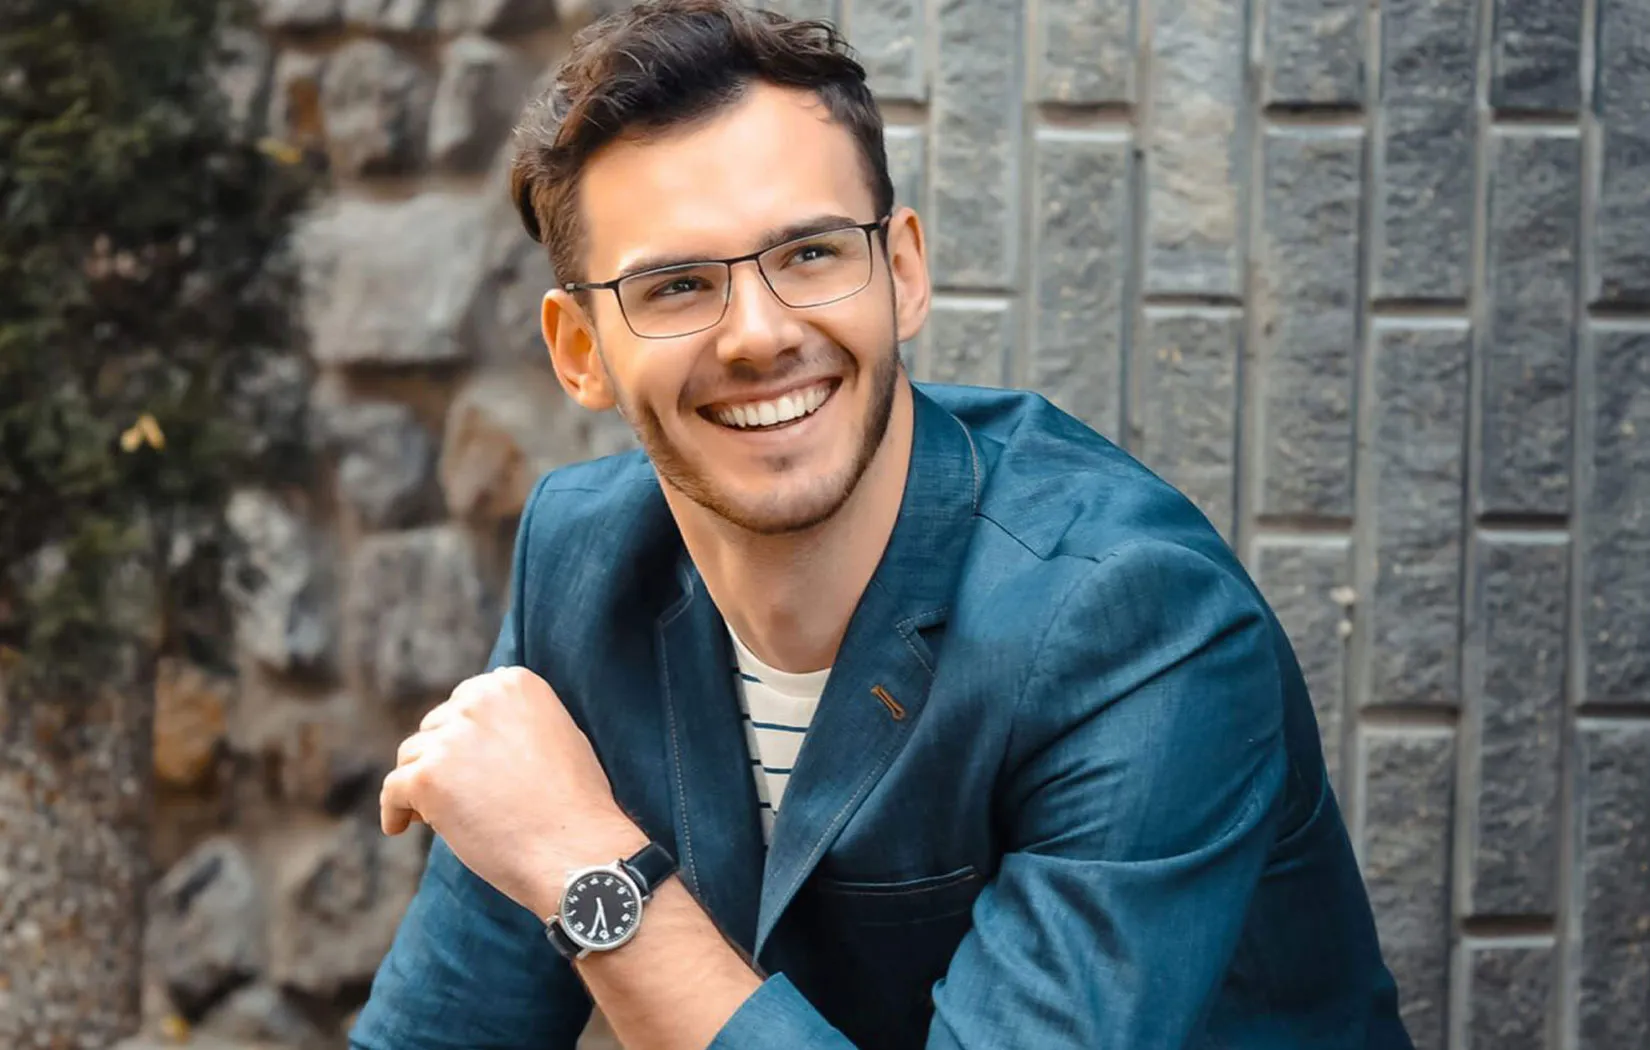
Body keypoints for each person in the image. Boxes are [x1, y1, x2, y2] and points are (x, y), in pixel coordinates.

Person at [352, 1, 1412, 1046]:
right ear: (579, 350)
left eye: (811, 255)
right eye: (676, 285)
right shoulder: (584, 565)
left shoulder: (1133, 620)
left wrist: (591, 868)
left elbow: (565, 850)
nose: (759, 336)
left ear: (901, 271)